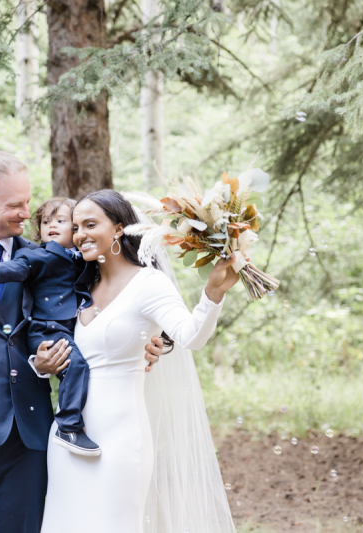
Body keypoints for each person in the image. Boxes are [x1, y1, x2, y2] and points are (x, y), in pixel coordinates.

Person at [0, 152, 166, 533]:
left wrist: (152, 340)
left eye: (28, 202)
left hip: (30, 438)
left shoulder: (49, 257)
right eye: (15, 205)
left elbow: (112, 307)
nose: (27, 213)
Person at [40, 189, 239, 533]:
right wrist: (42, 360)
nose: (80, 234)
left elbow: (191, 335)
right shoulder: (78, 285)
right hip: (66, 437)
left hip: (120, 438)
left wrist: (213, 295)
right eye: (76, 227)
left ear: (119, 228)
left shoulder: (148, 283)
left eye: (91, 224)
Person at [0, 197, 99, 456]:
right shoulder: (39, 255)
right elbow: (20, 267)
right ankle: (68, 426)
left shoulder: (85, 258)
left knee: (83, 365)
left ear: (76, 228)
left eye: (61, 220)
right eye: (46, 221)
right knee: (76, 365)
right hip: (48, 329)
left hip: (72, 327)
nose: (52, 226)